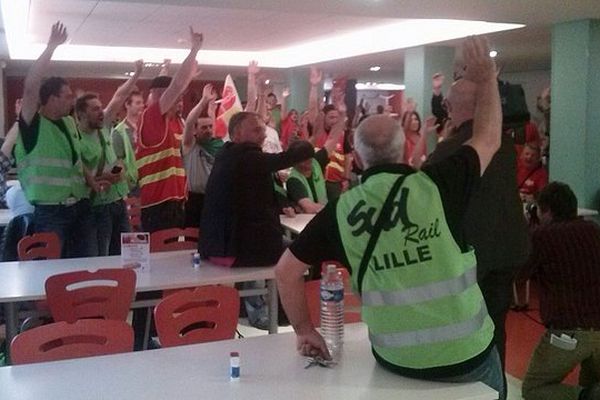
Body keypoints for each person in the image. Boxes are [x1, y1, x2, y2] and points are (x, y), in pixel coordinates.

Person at [275, 36, 504, 397]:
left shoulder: (342, 211)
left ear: (360, 161)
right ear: (402, 150)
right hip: (466, 355)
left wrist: (304, 331)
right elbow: (489, 137)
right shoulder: (438, 185)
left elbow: (286, 272)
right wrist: (487, 79)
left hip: (396, 359)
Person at [425, 38, 530, 399]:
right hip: (509, 252)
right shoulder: (502, 142)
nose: (447, 111)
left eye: (451, 105)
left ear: (461, 108)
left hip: (474, 260)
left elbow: (425, 194)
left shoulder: (454, 152)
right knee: (497, 329)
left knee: (470, 337)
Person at [199, 111, 314, 329]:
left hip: (220, 245)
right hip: (234, 249)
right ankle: (283, 314)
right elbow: (290, 158)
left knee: (291, 248)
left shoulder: (229, 155)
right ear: (237, 134)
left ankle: (276, 312)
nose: (263, 135)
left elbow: (254, 192)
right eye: (257, 130)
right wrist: (308, 142)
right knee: (302, 253)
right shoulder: (247, 156)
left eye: (263, 129)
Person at [14, 22, 97, 258]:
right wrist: (51, 47)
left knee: (84, 266)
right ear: (51, 98)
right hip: (51, 212)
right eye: (68, 96)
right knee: (49, 270)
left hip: (80, 206)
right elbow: (30, 87)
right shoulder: (33, 125)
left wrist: (91, 182)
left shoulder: (70, 123)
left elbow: (76, 161)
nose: (73, 100)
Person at [519, 182, 600, 400]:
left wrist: (529, 227)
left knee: (534, 389)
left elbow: (520, 273)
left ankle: (587, 396)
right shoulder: (593, 230)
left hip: (568, 330)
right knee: (591, 380)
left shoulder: (542, 236)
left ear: (546, 210)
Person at [135, 26, 203, 233]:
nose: (179, 99)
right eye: (176, 96)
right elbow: (176, 86)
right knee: (161, 259)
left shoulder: (176, 122)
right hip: (157, 203)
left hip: (177, 199)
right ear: (158, 94)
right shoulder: (151, 117)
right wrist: (194, 50)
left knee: (175, 256)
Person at [76, 60, 143, 256]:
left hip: (118, 201)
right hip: (97, 208)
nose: (101, 112)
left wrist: (136, 74)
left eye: (100, 108)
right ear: (81, 114)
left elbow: (119, 96)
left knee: (126, 255)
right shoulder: (76, 140)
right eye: (95, 109)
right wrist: (103, 177)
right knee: (102, 257)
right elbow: (79, 177)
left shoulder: (103, 126)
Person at [181, 84, 223, 228]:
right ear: (195, 130)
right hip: (195, 200)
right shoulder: (190, 145)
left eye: (210, 127)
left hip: (215, 198)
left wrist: (211, 109)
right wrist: (204, 101)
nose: (208, 130)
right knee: (192, 240)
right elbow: (189, 123)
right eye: (204, 127)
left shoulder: (217, 145)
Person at [286, 121, 345, 214]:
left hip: (323, 216)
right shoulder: (293, 180)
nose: (308, 163)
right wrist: (334, 210)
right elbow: (309, 207)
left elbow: (333, 139)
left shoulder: (315, 162)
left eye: (309, 159)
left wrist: (342, 115)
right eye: (303, 160)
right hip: (307, 222)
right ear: (294, 162)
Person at [111, 89, 144, 196]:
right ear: (127, 105)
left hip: (149, 178)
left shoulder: (146, 126)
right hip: (132, 183)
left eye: (142, 102)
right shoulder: (118, 131)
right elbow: (118, 160)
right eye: (138, 103)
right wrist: (125, 183)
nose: (142, 106)